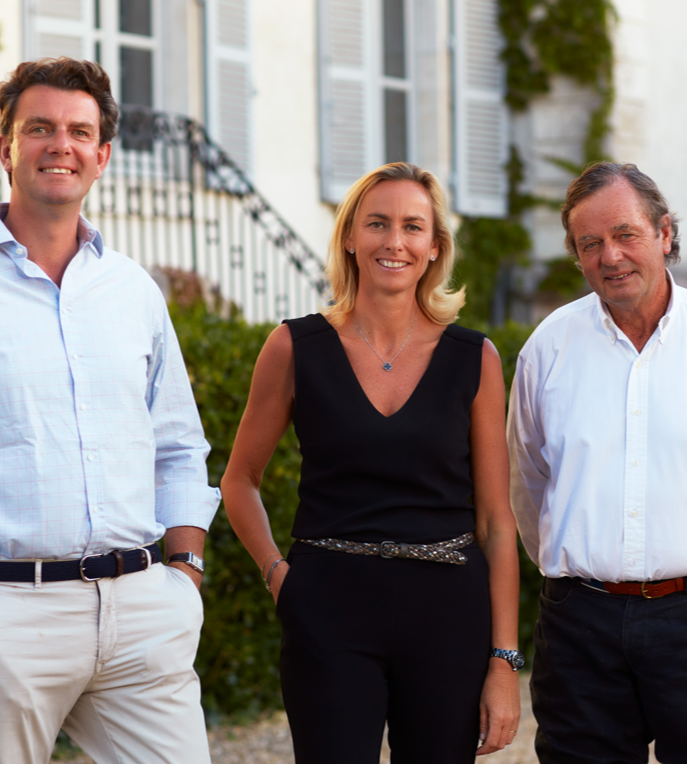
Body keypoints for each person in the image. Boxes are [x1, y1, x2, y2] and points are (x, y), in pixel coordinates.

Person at [221, 162, 521, 763]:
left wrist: (504, 659)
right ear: (350, 238)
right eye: (377, 224)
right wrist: (280, 576)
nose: (395, 242)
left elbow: (495, 520)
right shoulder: (294, 346)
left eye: (413, 227)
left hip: (447, 615)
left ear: (434, 247)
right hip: (328, 608)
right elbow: (239, 480)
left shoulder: (475, 358)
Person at [0, 58, 220, 763]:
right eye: (40, 128)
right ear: (6, 147)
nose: (62, 145)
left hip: (144, 612)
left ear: (103, 155)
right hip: (3, 616)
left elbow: (176, 441)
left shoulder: (132, 290)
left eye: (80, 132)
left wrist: (185, 576)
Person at [507, 161, 687, 764]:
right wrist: (582, 576)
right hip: (581, 629)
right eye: (591, 244)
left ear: (664, 233)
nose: (610, 256)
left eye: (625, 234)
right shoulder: (546, 351)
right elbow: (526, 486)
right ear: (577, 256)